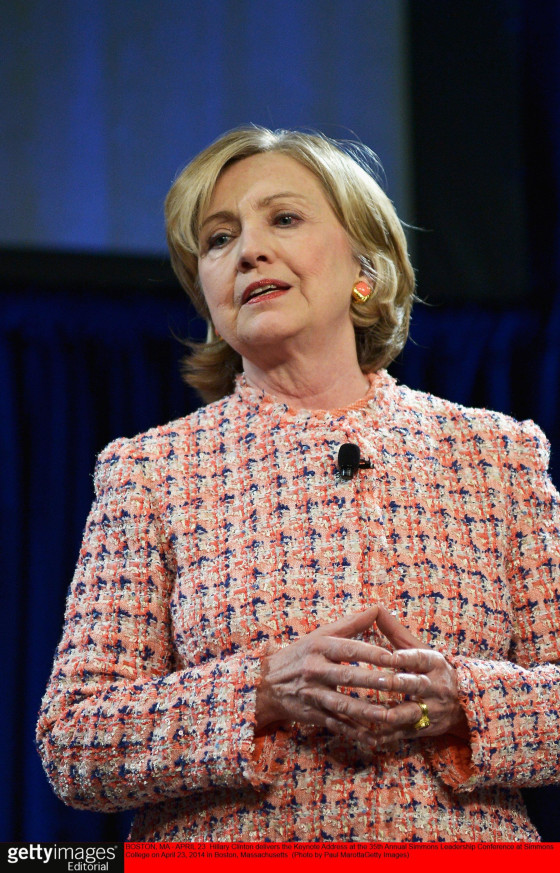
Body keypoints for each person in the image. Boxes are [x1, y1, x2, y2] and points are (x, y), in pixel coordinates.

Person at [37, 126, 560, 843]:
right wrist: (260, 691)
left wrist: (460, 701)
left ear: (365, 270)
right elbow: (74, 742)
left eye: (283, 218)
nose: (248, 249)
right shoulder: (151, 472)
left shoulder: (497, 454)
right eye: (218, 239)